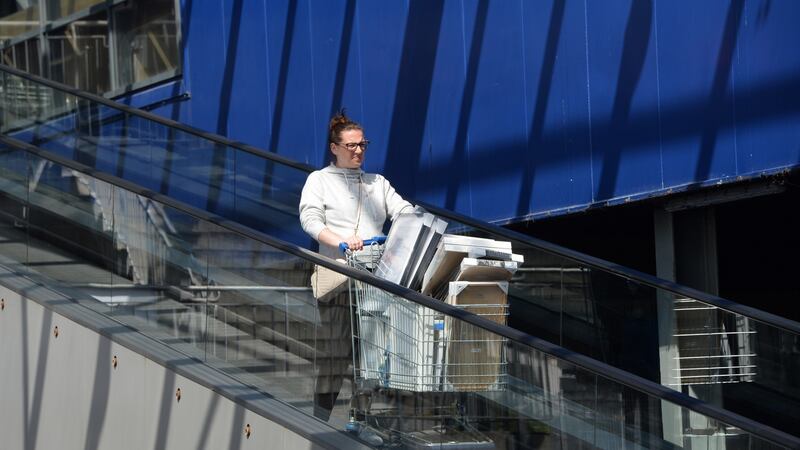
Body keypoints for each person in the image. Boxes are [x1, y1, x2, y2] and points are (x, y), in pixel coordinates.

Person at [299, 110, 413, 421]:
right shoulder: (319, 180)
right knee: (337, 350)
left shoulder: (377, 183)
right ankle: (318, 416)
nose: (358, 151)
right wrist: (339, 241)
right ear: (334, 147)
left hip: (374, 278)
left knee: (372, 352)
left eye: (362, 144)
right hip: (339, 277)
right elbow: (309, 220)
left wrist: (412, 221)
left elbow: (404, 211)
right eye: (351, 146)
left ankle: (359, 418)